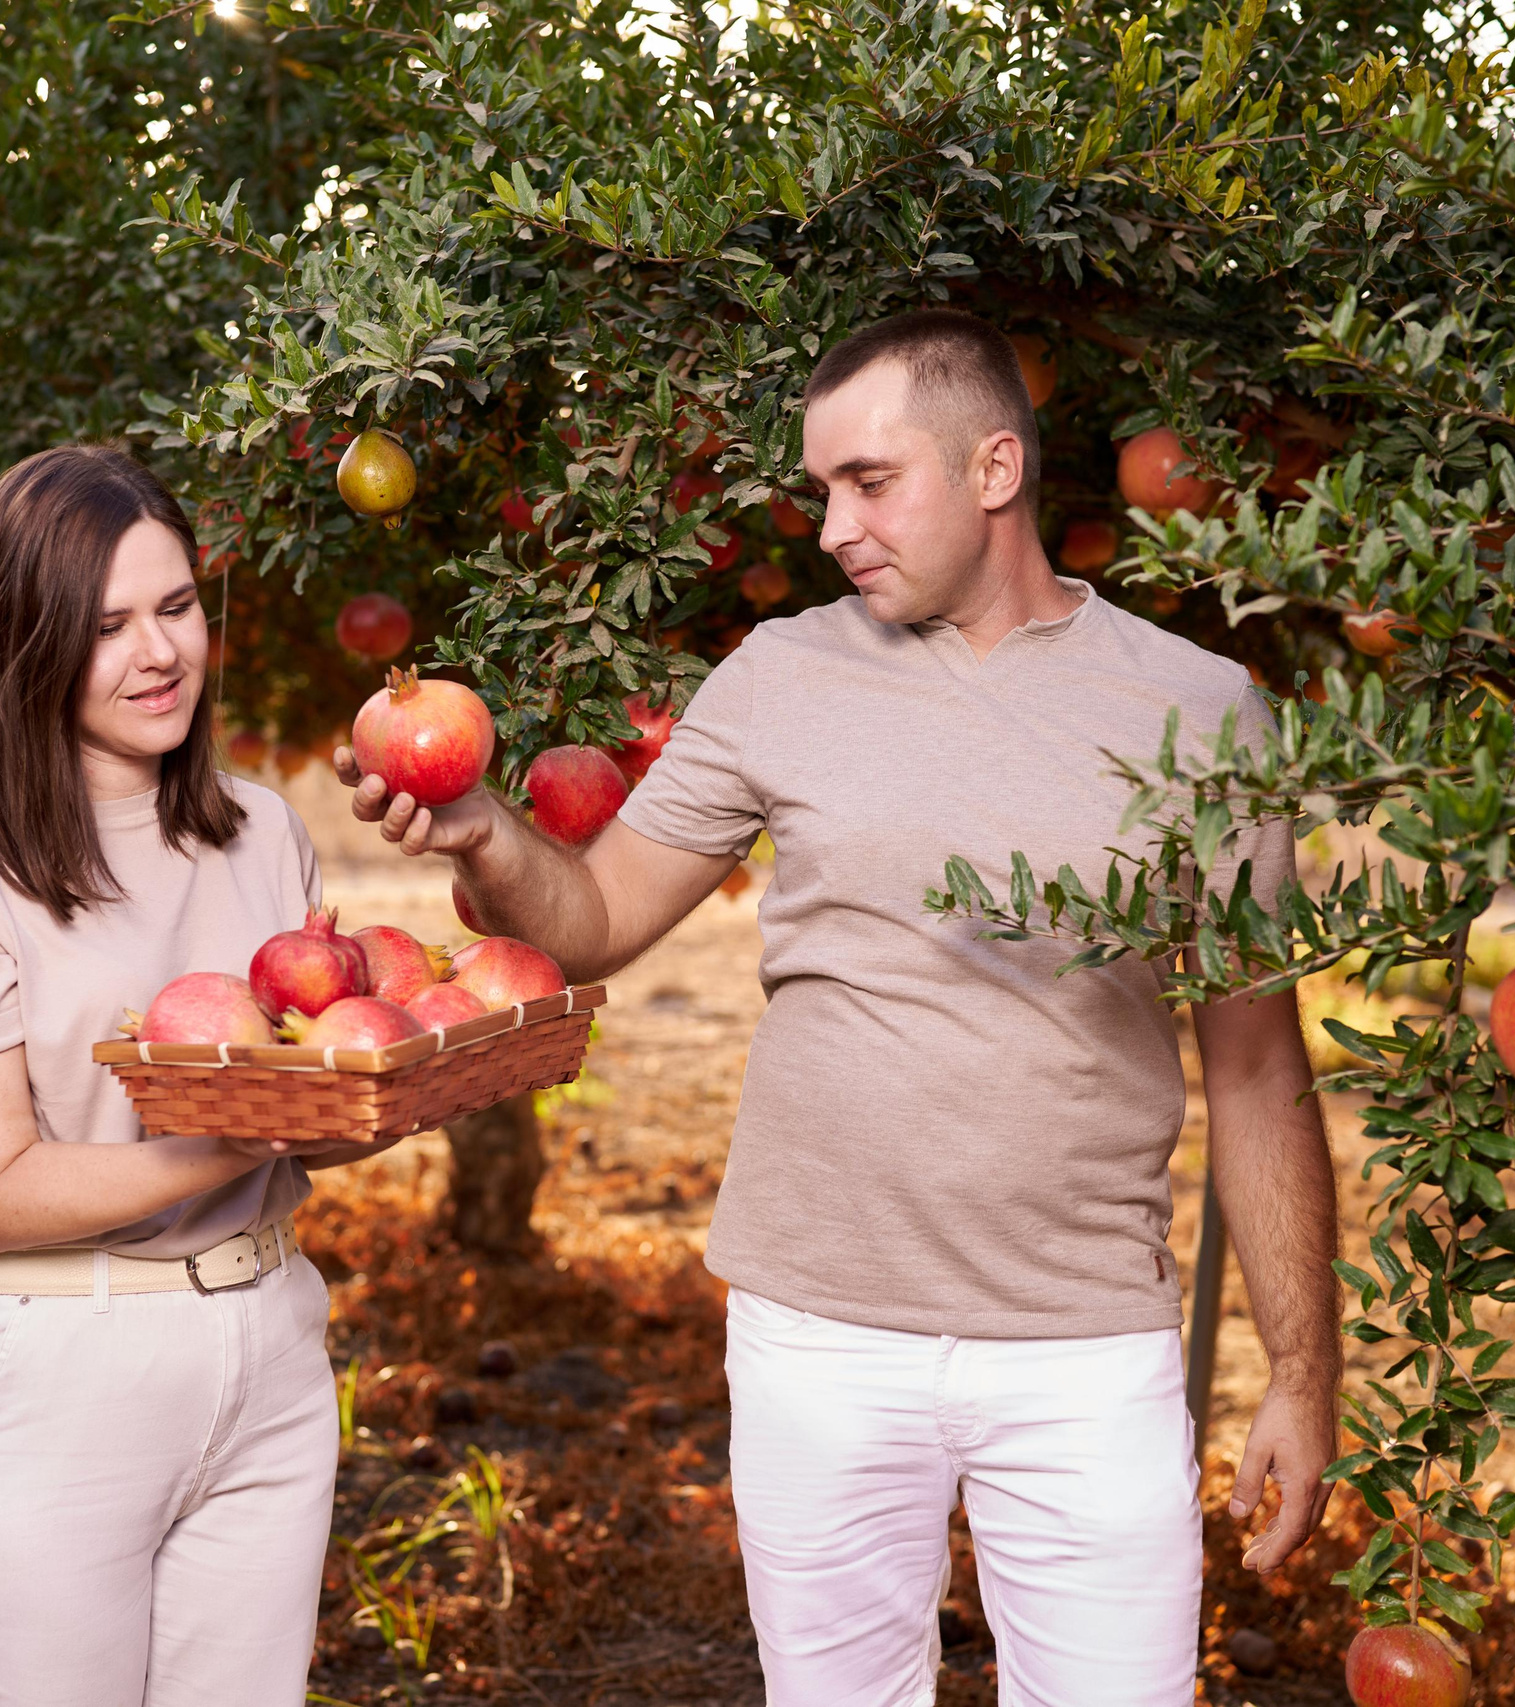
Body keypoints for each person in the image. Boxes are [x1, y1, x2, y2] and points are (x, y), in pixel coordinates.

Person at [337, 310, 1341, 1705]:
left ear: (996, 467)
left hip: (1084, 1350)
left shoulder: (1202, 712)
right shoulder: (780, 676)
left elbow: (1257, 1069)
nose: (832, 525)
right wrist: (487, 837)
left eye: (869, 482)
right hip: (819, 1336)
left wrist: (1302, 1370)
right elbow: (599, 918)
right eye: (821, 490)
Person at [0, 443, 376, 1707]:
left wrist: (386, 1094)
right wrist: (245, 1136)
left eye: (177, 608)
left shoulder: (263, 833)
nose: (159, 655)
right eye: (107, 627)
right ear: (24, 645)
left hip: (267, 1340)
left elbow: (324, 1117)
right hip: (59, 1369)